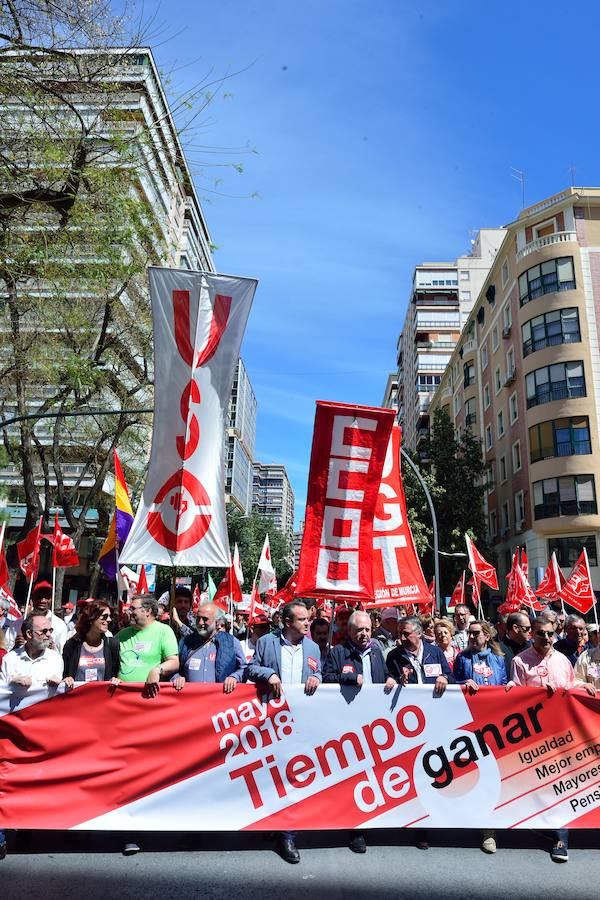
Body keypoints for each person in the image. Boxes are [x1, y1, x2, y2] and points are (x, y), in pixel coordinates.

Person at [247, 600, 321, 865]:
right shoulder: (267, 642)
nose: (307, 623)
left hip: (299, 721)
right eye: (302, 620)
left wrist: (317, 678)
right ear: (287, 622)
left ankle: (288, 834)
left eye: (308, 619)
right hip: (271, 720)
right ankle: (273, 821)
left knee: (294, 774)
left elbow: (318, 671)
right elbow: (251, 668)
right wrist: (268, 674)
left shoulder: (313, 647)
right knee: (272, 774)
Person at [322, 610, 396, 855]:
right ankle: (356, 829)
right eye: (359, 631)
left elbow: (382, 676)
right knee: (354, 778)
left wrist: (390, 679)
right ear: (349, 632)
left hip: (375, 724)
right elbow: (327, 678)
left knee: (374, 774)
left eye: (367, 630)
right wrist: (352, 678)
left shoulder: (376, 652)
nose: (364, 634)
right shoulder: (338, 652)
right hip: (349, 725)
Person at [508, 617, 575, 862]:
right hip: (532, 735)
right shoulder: (519, 661)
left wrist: (583, 688)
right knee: (537, 783)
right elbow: (514, 696)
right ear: (531, 635)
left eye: (549, 634)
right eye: (540, 634)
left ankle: (561, 837)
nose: (546, 638)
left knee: (560, 783)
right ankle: (540, 823)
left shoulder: (563, 660)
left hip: (560, 733)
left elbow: (570, 688)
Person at [173, 603, 246, 691]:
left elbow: (244, 668)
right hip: (190, 701)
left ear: (217, 621)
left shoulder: (231, 642)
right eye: (198, 618)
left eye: (205, 619)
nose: (200, 623)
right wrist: (177, 678)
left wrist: (234, 677)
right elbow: (173, 668)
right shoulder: (185, 642)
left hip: (221, 702)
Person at [116, 594, 179, 692]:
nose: (129, 612)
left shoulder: (164, 631)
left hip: (149, 697)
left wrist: (157, 670)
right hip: (122, 695)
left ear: (147, 611)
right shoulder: (122, 634)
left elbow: (174, 662)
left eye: (133, 609)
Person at [387, 616, 453, 694]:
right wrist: (396, 680)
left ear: (419, 633)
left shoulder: (435, 652)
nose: (402, 638)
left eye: (406, 634)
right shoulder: (394, 656)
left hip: (434, 701)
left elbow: (450, 676)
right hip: (409, 702)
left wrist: (444, 677)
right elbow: (389, 678)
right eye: (400, 634)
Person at [62, 600, 120, 685]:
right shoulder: (72, 645)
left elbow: (115, 674)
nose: (109, 620)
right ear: (91, 618)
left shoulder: (112, 645)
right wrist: (66, 679)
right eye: (104, 616)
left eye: (109, 616)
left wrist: (115, 679)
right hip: (77, 696)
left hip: (102, 697)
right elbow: (65, 673)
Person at [0, 611, 63, 689]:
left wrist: (62, 683)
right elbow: (2, 693)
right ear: (29, 634)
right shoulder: (10, 659)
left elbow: (59, 695)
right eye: (43, 631)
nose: (49, 634)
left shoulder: (56, 659)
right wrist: (11, 683)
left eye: (50, 630)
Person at [29, 581, 69, 652]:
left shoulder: (59, 625)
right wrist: (17, 645)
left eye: (47, 597)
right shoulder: (20, 622)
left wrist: (53, 649)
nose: (43, 600)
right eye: (39, 597)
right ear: (32, 598)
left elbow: (62, 652)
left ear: (51, 599)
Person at [497, 611, 531, 679]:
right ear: (516, 628)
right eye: (527, 628)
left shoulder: (531, 647)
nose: (529, 631)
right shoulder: (498, 650)